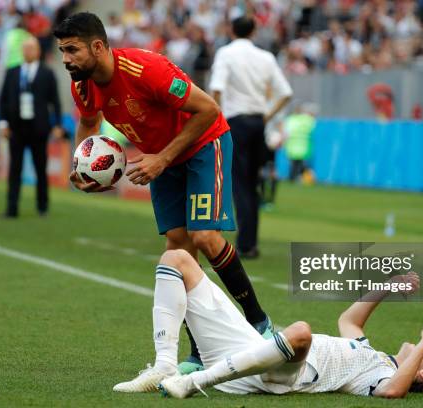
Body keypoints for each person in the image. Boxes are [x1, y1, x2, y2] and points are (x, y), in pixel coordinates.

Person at [52, 12, 273, 375]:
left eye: (72, 50)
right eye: (62, 51)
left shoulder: (145, 69)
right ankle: (200, 351)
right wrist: (81, 164)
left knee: (204, 235)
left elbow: (209, 110)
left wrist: (162, 159)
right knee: (177, 250)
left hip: (204, 143)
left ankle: (260, 323)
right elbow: (89, 122)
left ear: (97, 46)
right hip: (161, 158)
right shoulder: (83, 84)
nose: (66, 59)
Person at [116, 249, 423, 398]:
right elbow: (349, 319)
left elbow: (393, 392)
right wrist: (389, 284)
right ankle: (164, 367)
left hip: (288, 372)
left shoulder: (383, 376)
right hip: (254, 352)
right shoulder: (372, 353)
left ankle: (194, 382)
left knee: (300, 332)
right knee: (177, 260)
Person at [209, 16, 292, 259]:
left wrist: (216, 118)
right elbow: (285, 93)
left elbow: (217, 88)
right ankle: (250, 242)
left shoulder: (226, 53)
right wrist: (266, 117)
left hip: (235, 122)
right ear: (254, 31)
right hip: (257, 122)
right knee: (253, 183)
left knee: (239, 183)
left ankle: (244, 243)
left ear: (231, 30)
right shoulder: (266, 57)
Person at [0, 36, 63, 218]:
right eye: (25, 48)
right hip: (16, 127)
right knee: (15, 169)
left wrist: (57, 124)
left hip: (39, 128)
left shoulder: (47, 73)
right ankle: (12, 208)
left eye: (31, 48)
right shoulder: (12, 72)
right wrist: (3, 123)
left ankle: (42, 207)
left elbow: (55, 101)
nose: (28, 52)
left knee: (40, 168)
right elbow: (3, 100)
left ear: (38, 51)